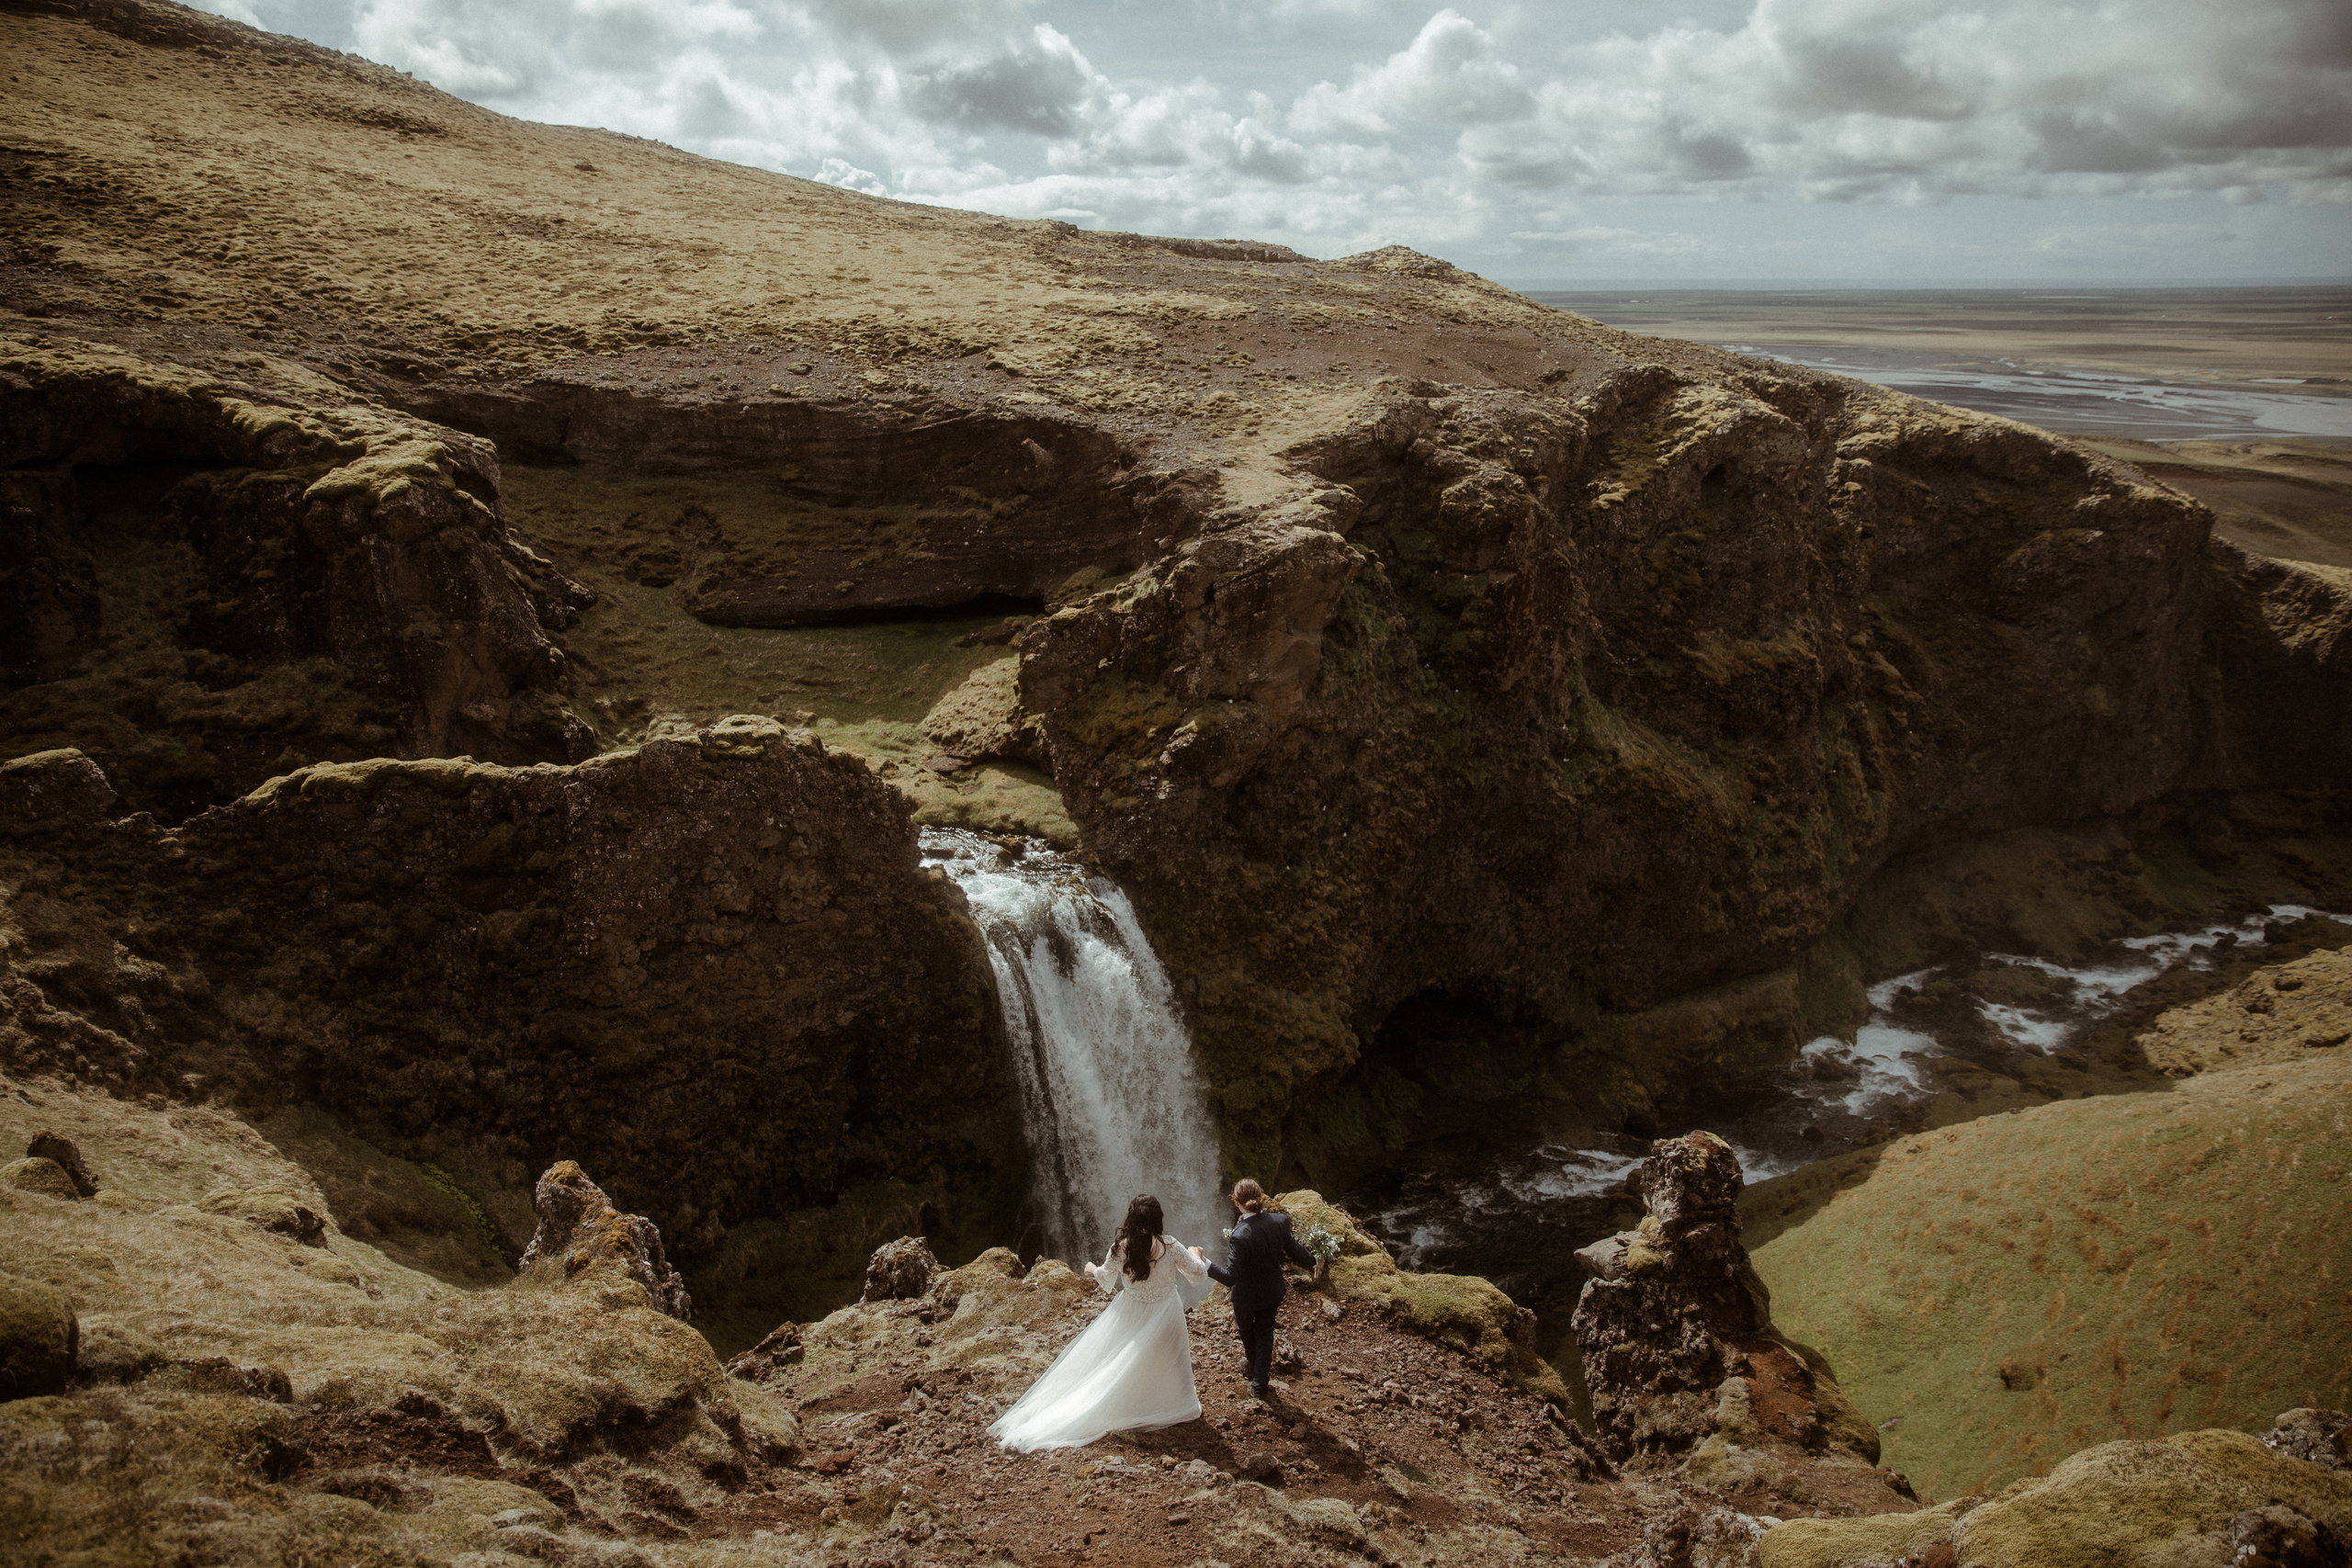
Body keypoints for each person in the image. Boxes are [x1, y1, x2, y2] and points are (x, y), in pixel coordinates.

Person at [988, 1194, 1210, 1452]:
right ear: (1158, 1220)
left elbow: (1106, 1278)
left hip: (1131, 1310)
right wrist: (1198, 1254)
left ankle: (1132, 1401)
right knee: (1171, 1355)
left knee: (1128, 1356)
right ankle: (1175, 1403)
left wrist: (1092, 1269)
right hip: (1165, 1310)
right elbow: (1198, 1274)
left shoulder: (1121, 1247)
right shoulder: (1170, 1246)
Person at [1205, 1179, 1317, 1403]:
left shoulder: (1240, 1235)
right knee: (1265, 1333)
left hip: (1246, 1297)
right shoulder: (1279, 1221)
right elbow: (1295, 1250)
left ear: (1237, 1204)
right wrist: (1314, 1262)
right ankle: (1258, 1378)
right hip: (1272, 1291)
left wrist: (1204, 1263)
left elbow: (1230, 1277)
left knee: (1246, 1331)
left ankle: (1256, 1376)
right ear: (1261, 1197)